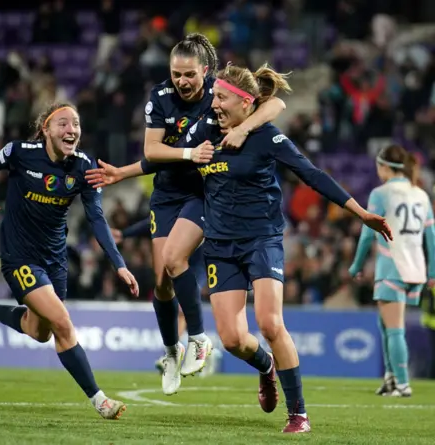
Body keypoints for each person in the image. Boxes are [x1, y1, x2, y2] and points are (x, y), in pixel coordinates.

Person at [89, 63, 392, 432]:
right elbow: (164, 159)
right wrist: (123, 172)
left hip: (262, 240)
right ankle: (266, 367)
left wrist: (359, 212)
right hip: (219, 245)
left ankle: (298, 413)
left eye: (220, 97)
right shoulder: (205, 131)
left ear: (245, 102)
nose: (213, 103)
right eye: (214, 96)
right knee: (232, 340)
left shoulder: (266, 136)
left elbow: (312, 175)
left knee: (269, 323)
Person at [85, 33, 287, 396]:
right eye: (176, 74)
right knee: (161, 279)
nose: (181, 81)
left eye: (189, 74)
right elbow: (152, 149)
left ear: (205, 71)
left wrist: (243, 127)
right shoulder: (160, 97)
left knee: (175, 258)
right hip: (166, 192)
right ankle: (170, 351)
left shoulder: (219, 91)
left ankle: (197, 338)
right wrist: (130, 171)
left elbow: (273, 107)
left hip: (203, 191)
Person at [0, 103, 139, 420]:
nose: (71, 129)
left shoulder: (84, 167)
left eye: (75, 124)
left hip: (54, 259)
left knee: (39, 332)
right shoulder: (21, 152)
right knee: (62, 323)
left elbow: (97, 219)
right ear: (46, 129)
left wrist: (119, 264)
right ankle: (99, 400)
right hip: (19, 256)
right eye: (62, 123)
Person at [349, 145, 435, 397]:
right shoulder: (420, 194)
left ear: (385, 167)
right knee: (385, 322)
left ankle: (403, 383)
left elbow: (367, 233)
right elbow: (431, 237)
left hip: (392, 266)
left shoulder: (381, 193)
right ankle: (390, 378)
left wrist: (356, 264)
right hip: (416, 269)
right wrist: (432, 272)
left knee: (394, 327)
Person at [110, 218, 222, 376]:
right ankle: (206, 351)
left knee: (182, 305)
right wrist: (125, 233)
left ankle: (175, 354)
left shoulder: (200, 204)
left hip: (199, 259)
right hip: (180, 259)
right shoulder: (175, 208)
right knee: (173, 300)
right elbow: (154, 221)